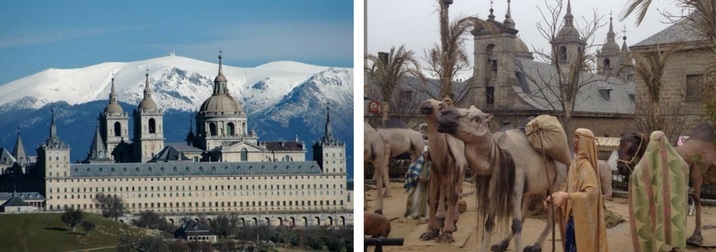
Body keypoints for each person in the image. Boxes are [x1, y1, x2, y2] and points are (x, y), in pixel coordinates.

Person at [545, 128, 608, 252]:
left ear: (585, 143)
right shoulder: (575, 164)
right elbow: (568, 188)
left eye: (578, 138)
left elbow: (591, 194)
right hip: (573, 221)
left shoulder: (586, 168)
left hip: (581, 223)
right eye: (575, 137)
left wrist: (566, 196)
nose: (574, 140)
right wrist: (554, 196)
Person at [628, 131, 688, 251]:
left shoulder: (643, 166)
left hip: (657, 207)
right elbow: (684, 169)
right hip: (671, 208)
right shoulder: (679, 162)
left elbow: (635, 176)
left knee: (653, 225)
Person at [404, 146, 430, 220]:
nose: (427, 154)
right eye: (426, 153)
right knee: (415, 199)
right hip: (417, 184)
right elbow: (410, 172)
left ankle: (424, 214)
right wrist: (418, 177)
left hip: (427, 185)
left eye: (428, 153)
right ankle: (414, 214)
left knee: (426, 200)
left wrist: (428, 179)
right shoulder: (418, 162)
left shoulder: (431, 163)